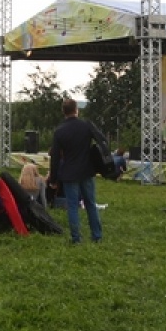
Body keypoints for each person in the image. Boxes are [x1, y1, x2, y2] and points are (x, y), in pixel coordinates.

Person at [51, 98, 108, 243]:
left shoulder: (59, 131)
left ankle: (76, 238)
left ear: (63, 112)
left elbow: (55, 157)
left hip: (69, 173)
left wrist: (53, 179)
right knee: (90, 204)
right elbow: (102, 140)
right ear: (77, 110)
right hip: (87, 170)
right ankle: (97, 236)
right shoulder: (86, 125)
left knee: (72, 206)